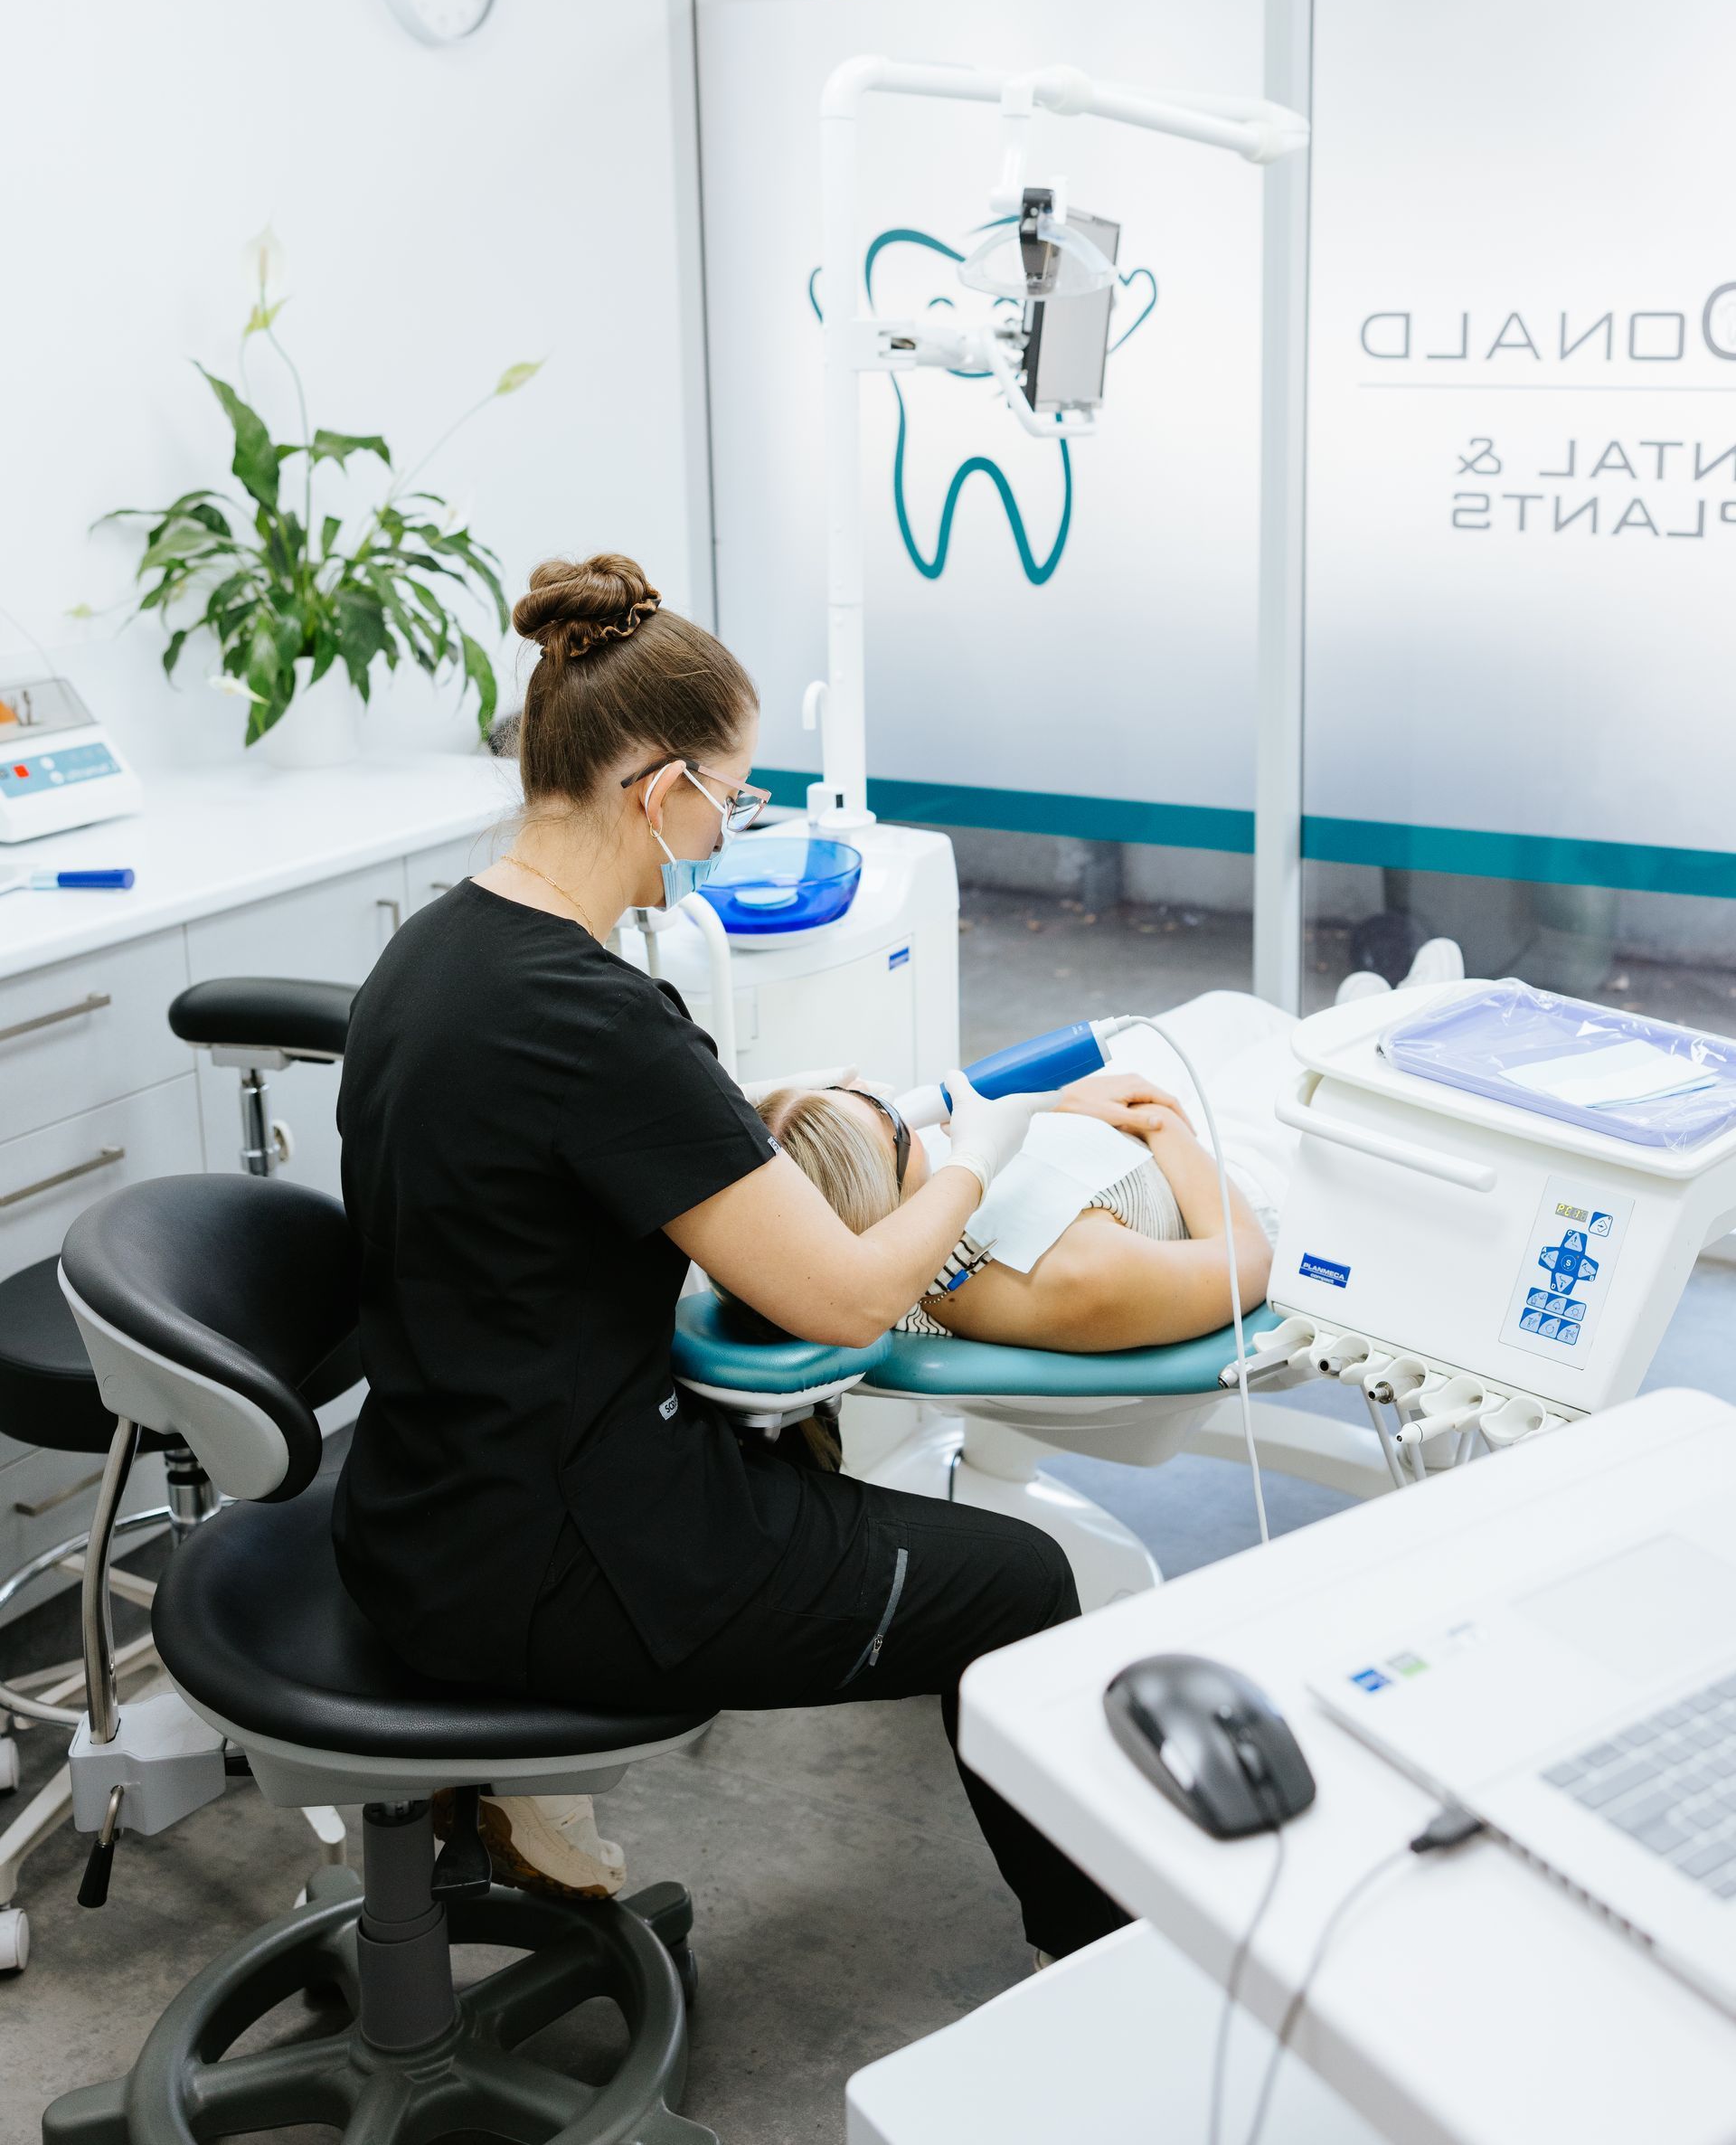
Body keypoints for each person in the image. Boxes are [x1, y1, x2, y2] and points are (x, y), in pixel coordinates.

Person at [333, 550, 1127, 1961]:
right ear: (660, 786)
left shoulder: (431, 953)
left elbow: (560, 1190)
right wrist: (975, 1158)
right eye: (734, 791)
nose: (733, 821)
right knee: (1020, 1584)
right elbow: (853, 1293)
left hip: (418, 1511)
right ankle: (1100, 1966)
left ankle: (511, 1795)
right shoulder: (602, 1019)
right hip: (566, 1562)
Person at [756, 1068, 1275, 1355]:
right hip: (1241, 1177)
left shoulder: (906, 1193)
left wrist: (1055, 1104)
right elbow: (1249, 1261)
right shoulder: (1071, 1273)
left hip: (1144, 1138)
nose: (880, 1089)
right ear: (881, 1200)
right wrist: (1163, 1126)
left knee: (1230, 1011)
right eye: (886, 1113)